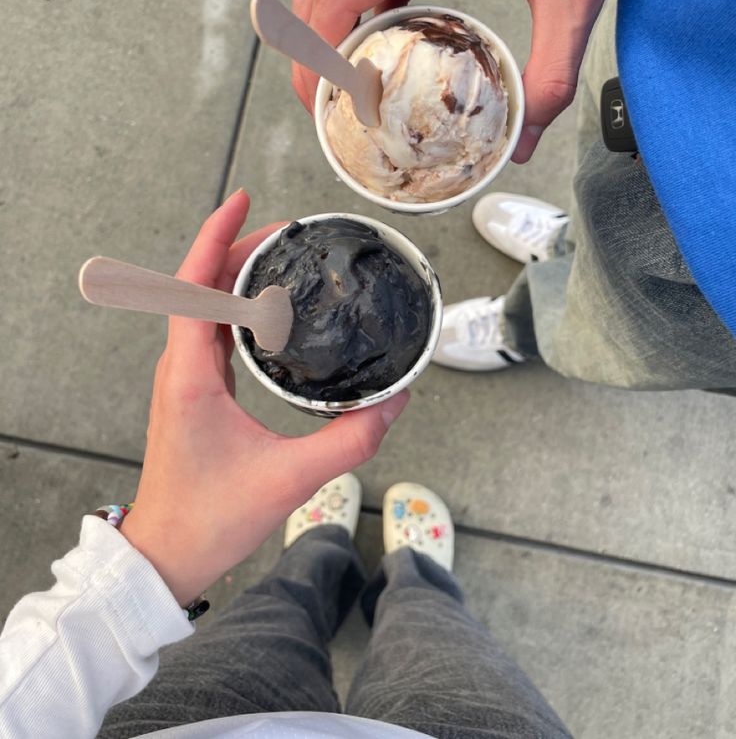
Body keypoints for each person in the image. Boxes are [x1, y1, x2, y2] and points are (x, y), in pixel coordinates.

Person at [0, 191, 570, 739]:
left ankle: (316, 553)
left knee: (276, 613)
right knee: (432, 631)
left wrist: (151, 563)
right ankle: (416, 575)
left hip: (187, 717)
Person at [291, 0, 736, 392]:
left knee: (618, 328)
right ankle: (566, 243)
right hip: (684, 11)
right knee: (603, 187)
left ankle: (529, 328)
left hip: (724, 285)